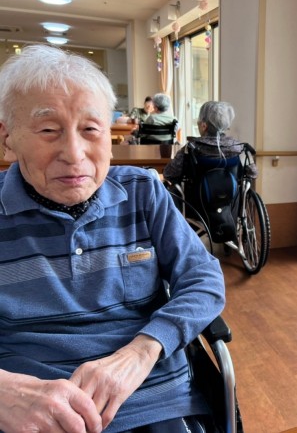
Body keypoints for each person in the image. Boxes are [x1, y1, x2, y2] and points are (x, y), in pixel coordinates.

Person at [0, 45, 224, 432]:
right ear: (7, 138)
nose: (74, 154)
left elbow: (203, 278)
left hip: (155, 401)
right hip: (27, 414)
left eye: (90, 129)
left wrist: (143, 350)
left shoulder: (142, 193)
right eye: (48, 130)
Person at [163, 101, 258, 183]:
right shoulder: (239, 148)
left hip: (196, 198)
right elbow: (253, 174)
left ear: (204, 126)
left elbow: (169, 174)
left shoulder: (191, 148)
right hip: (231, 197)